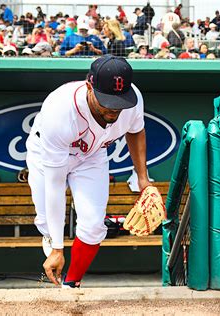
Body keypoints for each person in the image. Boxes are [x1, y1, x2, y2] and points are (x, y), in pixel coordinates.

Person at [25, 55, 153, 288]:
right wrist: (57, 247)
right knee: (46, 221)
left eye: (120, 101)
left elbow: (136, 132)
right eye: (108, 100)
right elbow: (55, 186)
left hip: (91, 156)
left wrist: (143, 178)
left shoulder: (133, 101)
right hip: (47, 153)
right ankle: (53, 248)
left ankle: (71, 284)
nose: (115, 108)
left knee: (94, 225)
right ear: (89, 87)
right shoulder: (61, 111)